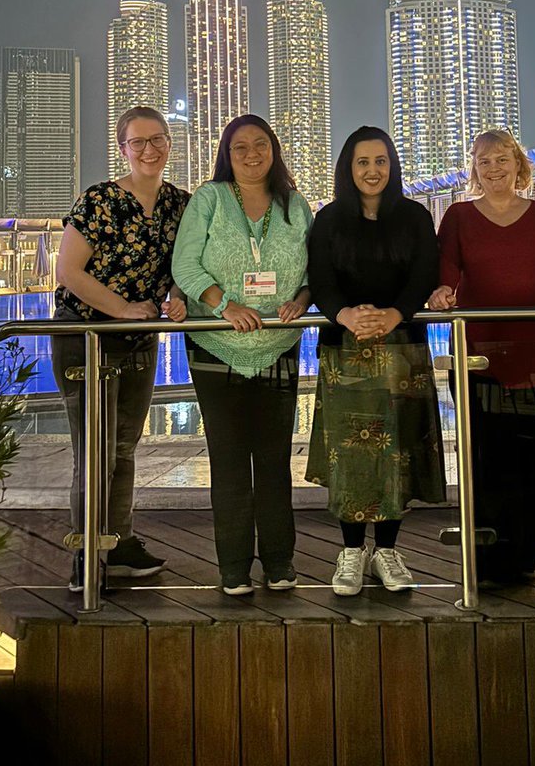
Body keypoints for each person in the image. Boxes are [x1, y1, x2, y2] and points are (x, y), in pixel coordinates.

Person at [428, 129, 535, 585]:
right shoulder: (457, 216)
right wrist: (441, 292)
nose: (494, 169)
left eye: (502, 159)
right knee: (485, 459)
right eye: (484, 162)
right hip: (478, 355)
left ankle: (527, 554)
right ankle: (487, 557)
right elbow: (447, 270)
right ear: (473, 170)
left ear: (519, 164)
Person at [172, 115, 312, 595]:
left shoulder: (295, 204)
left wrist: (303, 299)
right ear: (226, 155)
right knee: (229, 460)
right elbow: (184, 263)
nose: (251, 154)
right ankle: (233, 567)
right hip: (216, 345)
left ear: (274, 150)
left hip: (278, 344)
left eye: (260, 145)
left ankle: (279, 563)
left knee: (273, 460)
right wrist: (221, 303)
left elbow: (315, 268)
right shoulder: (209, 199)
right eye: (239, 148)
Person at [53, 106, 189, 591]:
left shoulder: (181, 204)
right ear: (123, 148)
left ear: (170, 143)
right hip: (85, 338)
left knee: (124, 447)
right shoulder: (100, 201)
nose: (150, 150)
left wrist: (177, 298)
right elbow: (68, 271)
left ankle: (121, 541)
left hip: (138, 340)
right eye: (139, 142)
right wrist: (123, 308)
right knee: (94, 451)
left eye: (159, 139)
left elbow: (188, 266)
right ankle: (87, 552)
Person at [306, 127, 446, 596]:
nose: (372, 171)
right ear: (349, 168)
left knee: (397, 453)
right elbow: (320, 279)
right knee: (351, 457)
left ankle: (386, 549)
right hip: (345, 347)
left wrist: (392, 314)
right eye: (363, 162)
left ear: (393, 166)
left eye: (381, 161)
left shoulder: (413, 216)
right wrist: (346, 314)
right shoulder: (328, 220)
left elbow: (425, 272)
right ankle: (351, 551)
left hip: (402, 345)